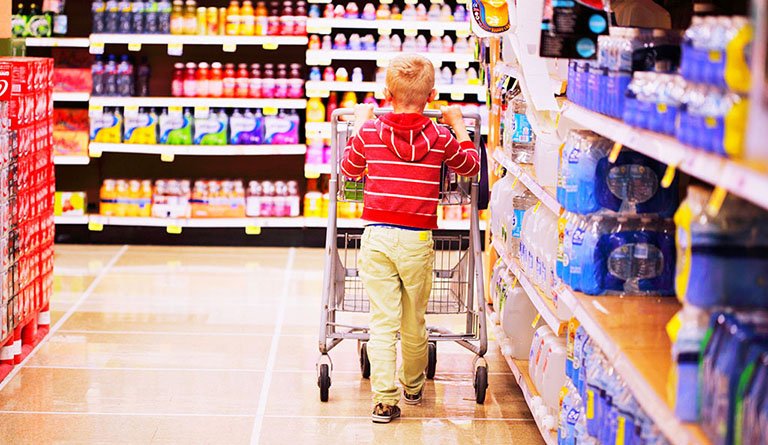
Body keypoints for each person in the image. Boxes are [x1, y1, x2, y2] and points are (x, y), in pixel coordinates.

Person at [339, 54, 481, 424]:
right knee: (414, 318)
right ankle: (414, 386)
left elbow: (348, 170)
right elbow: (471, 166)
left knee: (382, 320)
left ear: (386, 93)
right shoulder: (438, 136)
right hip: (417, 239)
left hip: (377, 237)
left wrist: (359, 124)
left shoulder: (370, 133)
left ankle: (384, 401)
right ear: (431, 95)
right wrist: (459, 126)